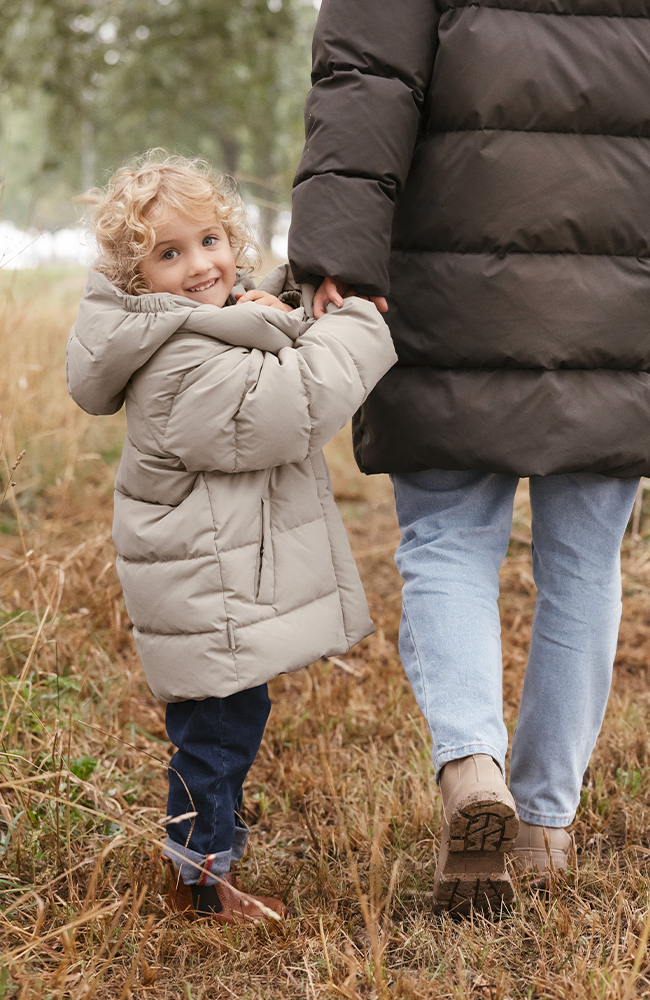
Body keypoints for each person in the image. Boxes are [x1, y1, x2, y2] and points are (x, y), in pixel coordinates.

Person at [289, 0, 647, 914]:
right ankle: (541, 831)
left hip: (450, 278)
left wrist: (337, 253)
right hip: (618, 280)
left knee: (449, 540)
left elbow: (366, 81)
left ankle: (471, 768)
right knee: (584, 566)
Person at [66, 152, 397, 923]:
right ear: (135, 277)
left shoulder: (188, 332)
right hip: (204, 593)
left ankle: (206, 863)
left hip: (210, 582)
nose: (198, 265)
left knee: (227, 726)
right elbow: (289, 406)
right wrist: (351, 327)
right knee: (214, 739)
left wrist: (280, 302)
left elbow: (251, 337)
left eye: (210, 240)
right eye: (169, 254)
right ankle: (202, 885)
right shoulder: (178, 360)